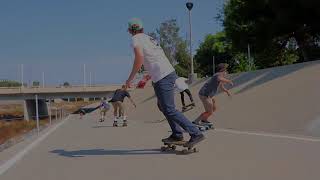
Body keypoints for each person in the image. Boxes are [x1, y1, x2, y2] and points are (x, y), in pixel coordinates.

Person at [125, 18, 204, 148]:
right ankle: (177, 134)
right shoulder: (148, 38)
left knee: (169, 109)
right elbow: (154, 59)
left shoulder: (136, 38)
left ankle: (195, 133)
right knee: (163, 106)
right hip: (164, 74)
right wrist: (148, 77)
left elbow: (139, 58)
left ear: (129, 30)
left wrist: (130, 79)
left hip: (163, 76)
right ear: (142, 28)